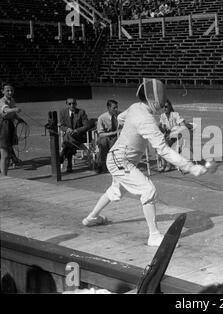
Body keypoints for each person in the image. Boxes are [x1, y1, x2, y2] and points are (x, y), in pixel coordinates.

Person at [82, 78, 207, 247]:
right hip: (121, 160)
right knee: (148, 190)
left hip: (118, 158)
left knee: (115, 189)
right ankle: (154, 236)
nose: (163, 103)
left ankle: (91, 218)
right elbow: (162, 150)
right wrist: (190, 167)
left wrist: (130, 130)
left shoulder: (135, 107)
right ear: (154, 100)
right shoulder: (146, 120)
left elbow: (120, 117)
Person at [158, 99, 191, 172]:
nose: (164, 108)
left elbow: (182, 125)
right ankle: (164, 164)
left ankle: (168, 164)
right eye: (163, 107)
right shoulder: (162, 116)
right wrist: (161, 128)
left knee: (165, 144)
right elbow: (162, 129)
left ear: (170, 106)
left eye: (166, 106)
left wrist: (175, 130)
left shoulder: (175, 114)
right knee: (161, 143)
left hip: (177, 137)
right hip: (169, 136)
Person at [59, 98, 91, 173]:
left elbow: (86, 126)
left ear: (76, 104)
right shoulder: (63, 112)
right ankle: (69, 164)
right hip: (69, 136)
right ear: (66, 104)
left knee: (67, 140)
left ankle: (63, 153)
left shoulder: (81, 112)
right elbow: (61, 125)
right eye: (69, 104)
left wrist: (77, 130)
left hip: (79, 136)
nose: (72, 105)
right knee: (68, 139)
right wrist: (67, 129)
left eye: (73, 103)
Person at [0, 82, 25, 176]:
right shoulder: (1, 101)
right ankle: (4, 176)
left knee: (8, 152)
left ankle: (4, 173)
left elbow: (13, 114)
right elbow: (5, 110)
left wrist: (18, 118)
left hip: (10, 126)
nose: (10, 92)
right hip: (2, 127)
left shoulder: (12, 100)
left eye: (11, 90)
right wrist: (14, 109)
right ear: (2, 91)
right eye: (8, 91)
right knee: (5, 154)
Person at [96, 99, 120, 173]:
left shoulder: (119, 116)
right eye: (114, 108)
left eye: (117, 107)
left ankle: (112, 164)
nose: (116, 109)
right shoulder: (102, 118)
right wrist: (113, 133)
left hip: (116, 136)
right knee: (104, 142)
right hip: (105, 136)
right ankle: (100, 164)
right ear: (108, 108)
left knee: (114, 142)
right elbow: (101, 134)